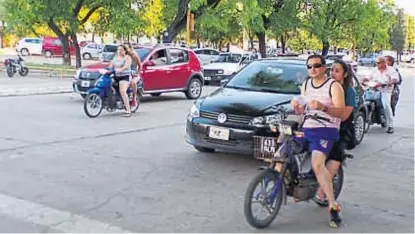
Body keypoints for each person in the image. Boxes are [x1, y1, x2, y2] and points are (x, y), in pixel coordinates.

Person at [291, 54, 345, 227]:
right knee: (281, 151)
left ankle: (333, 206)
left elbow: (341, 113)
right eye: (309, 67)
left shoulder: (333, 86)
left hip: (326, 129)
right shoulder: (306, 84)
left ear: (323, 68)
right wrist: (298, 108)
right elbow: (303, 109)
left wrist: (323, 107)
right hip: (307, 126)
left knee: (317, 164)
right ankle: (279, 186)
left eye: (316, 66)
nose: (312, 69)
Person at [313, 59, 357, 207]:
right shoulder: (324, 86)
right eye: (331, 70)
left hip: (341, 129)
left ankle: (323, 191)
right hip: (320, 124)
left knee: (335, 157)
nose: (332, 73)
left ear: (345, 74)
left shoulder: (349, 91)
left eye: (337, 71)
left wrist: (326, 110)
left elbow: (344, 116)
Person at [364, 56, 399, 133]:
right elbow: (368, 77)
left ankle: (390, 125)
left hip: (385, 91)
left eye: (379, 63)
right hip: (374, 89)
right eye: (376, 63)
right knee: (363, 100)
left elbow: (395, 78)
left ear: (383, 63)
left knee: (386, 105)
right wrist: (364, 80)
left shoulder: (390, 69)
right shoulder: (374, 70)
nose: (377, 64)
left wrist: (389, 82)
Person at [108, 44, 133, 117]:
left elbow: (126, 66)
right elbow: (110, 66)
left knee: (122, 90)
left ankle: (128, 110)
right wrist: (107, 70)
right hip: (116, 76)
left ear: (125, 51)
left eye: (121, 50)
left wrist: (120, 70)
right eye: (118, 50)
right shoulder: (115, 58)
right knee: (108, 84)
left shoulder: (127, 58)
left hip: (125, 77)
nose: (119, 51)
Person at [126, 43, 142, 108]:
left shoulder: (134, 56)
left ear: (130, 48)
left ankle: (134, 98)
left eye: (126, 48)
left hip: (134, 74)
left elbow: (140, 65)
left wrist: (137, 73)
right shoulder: (124, 55)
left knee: (133, 82)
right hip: (127, 73)